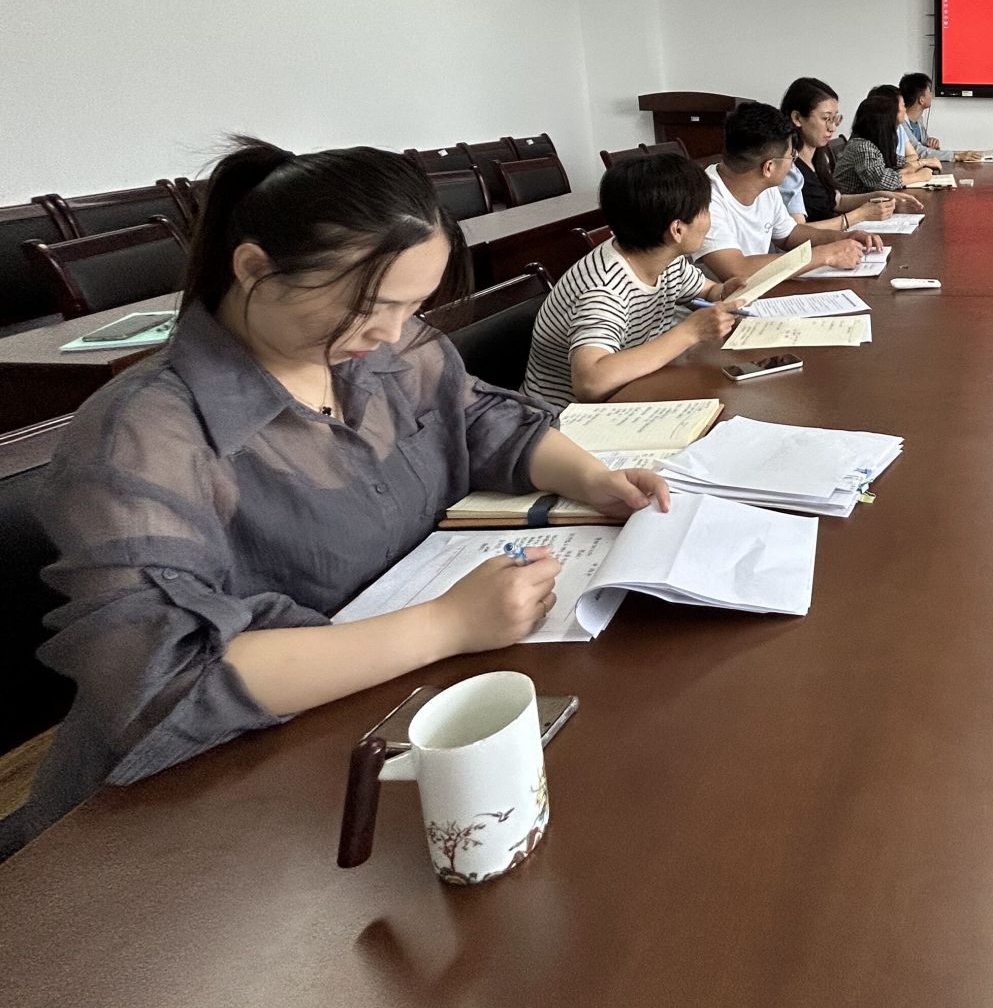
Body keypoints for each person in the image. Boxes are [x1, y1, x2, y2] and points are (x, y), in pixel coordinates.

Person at [2, 138, 670, 854]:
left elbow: (481, 420)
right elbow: (165, 683)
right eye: (369, 307)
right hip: (190, 810)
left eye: (413, 306)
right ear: (254, 269)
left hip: (373, 719)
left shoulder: (388, 350)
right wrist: (447, 625)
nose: (392, 332)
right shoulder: (144, 434)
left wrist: (593, 479)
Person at [523, 153, 742, 407]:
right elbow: (590, 383)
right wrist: (690, 332)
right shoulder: (604, 288)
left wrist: (723, 292)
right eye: (705, 210)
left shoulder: (661, 256)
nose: (709, 219)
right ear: (677, 230)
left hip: (633, 392)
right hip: (562, 418)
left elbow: (705, 291)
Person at [698, 100, 892, 283]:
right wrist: (825, 254)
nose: (793, 162)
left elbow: (789, 234)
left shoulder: (765, 187)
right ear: (769, 167)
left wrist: (843, 238)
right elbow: (736, 269)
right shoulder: (705, 199)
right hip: (721, 302)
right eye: (791, 156)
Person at [778, 77, 925, 224]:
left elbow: (837, 201)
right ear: (797, 118)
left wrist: (879, 195)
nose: (832, 128)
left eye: (835, 119)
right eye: (826, 118)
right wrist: (858, 215)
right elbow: (798, 231)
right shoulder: (787, 167)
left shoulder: (819, 157)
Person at [837, 90, 935, 196]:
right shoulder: (862, 146)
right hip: (854, 203)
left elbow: (895, 162)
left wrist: (915, 166)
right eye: (903, 106)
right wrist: (919, 176)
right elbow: (880, 181)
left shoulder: (875, 143)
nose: (905, 110)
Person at [869, 83, 941, 175]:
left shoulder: (899, 128)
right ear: (889, 109)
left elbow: (913, 156)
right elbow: (883, 175)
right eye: (903, 105)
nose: (905, 110)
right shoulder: (869, 138)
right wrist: (917, 167)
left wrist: (909, 165)